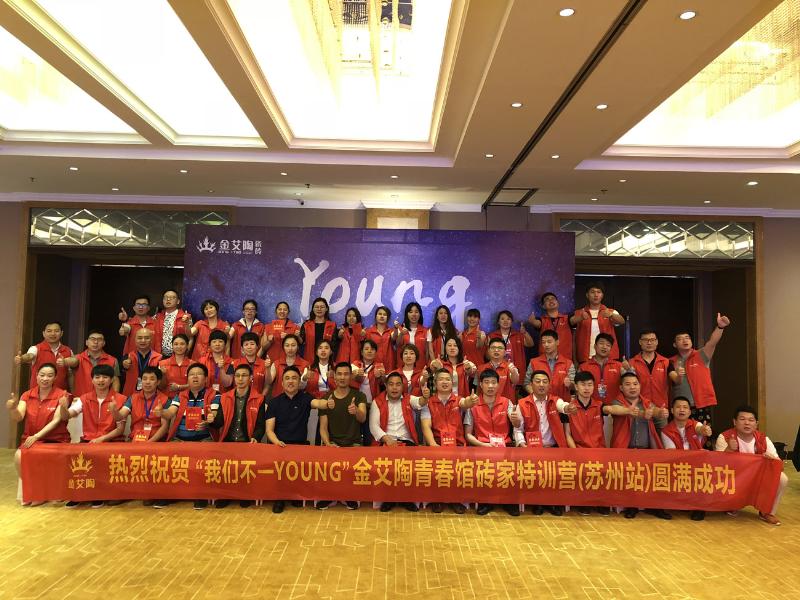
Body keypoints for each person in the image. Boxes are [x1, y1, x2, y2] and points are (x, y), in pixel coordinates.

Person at [266, 367, 337, 513]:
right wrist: (277, 442)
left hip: (299, 447)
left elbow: (318, 403)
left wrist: (327, 404)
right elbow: (269, 430)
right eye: (287, 378)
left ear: (299, 382)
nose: (291, 381)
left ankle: (294, 495)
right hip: (279, 446)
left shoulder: (305, 398)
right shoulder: (274, 402)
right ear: (282, 383)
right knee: (279, 464)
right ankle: (280, 499)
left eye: (294, 378)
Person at [604, 372, 670, 520]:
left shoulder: (646, 402)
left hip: (646, 449)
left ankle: (655, 507)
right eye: (628, 384)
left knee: (652, 479)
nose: (632, 387)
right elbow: (612, 409)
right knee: (630, 480)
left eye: (635, 384)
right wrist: (634, 412)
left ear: (640, 386)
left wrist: (661, 412)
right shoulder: (618, 402)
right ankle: (631, 506)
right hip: (626, 449)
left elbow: (654, 410)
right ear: (621, 387)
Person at [62, 364, 127, 508]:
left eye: (105, 377)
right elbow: (67, 416)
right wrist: (63, 407)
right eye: (97, 377)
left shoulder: (120, 399)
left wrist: (100, 439)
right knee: (72, 456)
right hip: (88, 440)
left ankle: (97, 494)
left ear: (112, 380)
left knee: (98, 455)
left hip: (112, 440)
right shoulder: (84, 398)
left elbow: (120, 429)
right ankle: (78, 494)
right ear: (92, 380)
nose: (101, 380)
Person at [511, 369, 574, 516]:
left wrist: (568, 408)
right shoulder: (522, 403)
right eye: (538, 381)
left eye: (545, 382)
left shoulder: (555, 400)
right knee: (535, 474)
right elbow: (518, 430)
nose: (541, 384)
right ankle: (537, 502)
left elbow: (563, 406)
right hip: (531, 449)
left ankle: (552, 502)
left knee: (554, 475)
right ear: (531, 384)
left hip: (553, 448)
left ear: (549, 385)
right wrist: (522, 444)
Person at [7, 363, 70, 506]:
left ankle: (41, 493)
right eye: (42, 375)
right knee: (19, 456)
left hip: (56, 439)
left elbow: (57, 421)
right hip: (32, 440)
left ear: (55, 378)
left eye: (49, 375)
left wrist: (37, 436)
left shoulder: (62, 395)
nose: (45, 378)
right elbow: (18, 417)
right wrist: (13, 408)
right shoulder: (27, 395)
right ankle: (35, 491)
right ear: (36, 376)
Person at [714, 405, 788, 526]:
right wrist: (729, 450)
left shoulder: (763, 439)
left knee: (782, 478)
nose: (747, 423)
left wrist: (771, 460)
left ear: (756, 424)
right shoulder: (725, 437)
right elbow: (716, 465)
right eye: (742, 419)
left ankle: (767, 512)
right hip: (734, 477)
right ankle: (730, 504)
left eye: (751, 420)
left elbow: (779, 464)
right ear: (734, 422)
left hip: (756, 478)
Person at [160, 363, 220, 509]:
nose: (195, 377)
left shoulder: (214, 394)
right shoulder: (181, 395)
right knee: (165, 459)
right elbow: (170, 413)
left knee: (204, 461)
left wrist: (208, 422)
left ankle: (200, 495)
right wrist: (161, 412)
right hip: (180, 439)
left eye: (199, 374)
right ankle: (170, 494)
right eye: (192, 374)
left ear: (205, 378)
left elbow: (214, 415)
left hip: (204, 439)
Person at [208, 364, 267, 508]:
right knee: (226, 469)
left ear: (251, 378)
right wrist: (211, 420)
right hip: (228, 441)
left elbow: (261, 425)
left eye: (244, 375)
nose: (240, 379)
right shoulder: (225, 397)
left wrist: (256, 437)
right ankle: (225, 495)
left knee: (244, 470)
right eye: (238, 376)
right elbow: (219, 422)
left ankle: (244, 494)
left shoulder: (259, 398)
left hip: (247, 442)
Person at [464, 369, 521, 517]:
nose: (490, 386)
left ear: (498, 384)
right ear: (481, 384)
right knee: (485, 467)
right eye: (487, 382)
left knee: (511, 466)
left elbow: (516, 423)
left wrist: (516, 420)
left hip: (505, 446)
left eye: (493, 382)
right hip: (482, 446)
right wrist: (483, 445)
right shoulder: (473, 405)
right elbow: (468, 435)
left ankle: (509, 502)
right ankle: (486, 502)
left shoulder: (507, 402)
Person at [420, 369, 478, 513]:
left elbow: (466, 403)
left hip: (458, 445)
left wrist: (471, 401)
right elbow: (426, 425)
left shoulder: (458, 400)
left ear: (452, 383)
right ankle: (438, 499)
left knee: (458, 471)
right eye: (441, 379)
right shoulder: (428, 402)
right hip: (437, 443)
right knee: (437, 469)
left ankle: (456, 499)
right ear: (435, 383)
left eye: (447, 379)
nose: (445, 382)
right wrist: (433, 444)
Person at [370, 371, 426, 512]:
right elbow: (373, 426)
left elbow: (420, 402)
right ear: (386, 386)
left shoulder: (408, 399)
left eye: (398, 384)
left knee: (409, 468)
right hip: (385, 440)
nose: (394, 388)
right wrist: (386, 438)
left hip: (406, 441)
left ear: (403, 386)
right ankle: (389, 499)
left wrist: (425, 397)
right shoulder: (377, 401)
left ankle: (407, 499)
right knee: (387, 469)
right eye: (391, 384)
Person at [316, 363, 367, 510]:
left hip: (353, 444)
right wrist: (328, 443)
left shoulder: (359, 396)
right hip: (333, 444)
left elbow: (363, 418)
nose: (342, 377)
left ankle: (348, 496)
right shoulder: (327, 398)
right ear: (334, 377)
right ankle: (330, 496)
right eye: (339, 374)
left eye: (346, 374)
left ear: (351, 377)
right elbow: (323, 427)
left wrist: (356, 411)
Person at [672, 313, 731, 425]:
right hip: (679, 407)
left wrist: (720, 327)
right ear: (675, 344)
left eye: (687, 338)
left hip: (700, 405)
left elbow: (712, 342)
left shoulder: (701, 355)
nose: (685, 341)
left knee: (703, 434)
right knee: (681, 435)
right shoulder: (670, 361)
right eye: (680, 339)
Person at [563, 371, 609, 515]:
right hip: (579, 449)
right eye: (583, 385)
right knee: (582, 469)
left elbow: (612, 409)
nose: (587, 388)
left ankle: (601, 501)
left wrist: (627, 410)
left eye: (590, 385)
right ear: (576, 387)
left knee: (603, 470)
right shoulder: (569, 408)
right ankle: (585, 501)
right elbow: (567, 434)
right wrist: (575, 452)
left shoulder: (599, 405)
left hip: (599, 450)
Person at [660, 396, 712, 521]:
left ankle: (699, 508)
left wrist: (704, 431)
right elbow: (672, 455)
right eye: (678, 407)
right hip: (678, 465)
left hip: (697, 465)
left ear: (689, 411)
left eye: (685, 407)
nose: (682, 410)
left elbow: (700, 429)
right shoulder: (666, 431)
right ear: (672, 410)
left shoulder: (695, 425)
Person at [571, 281, 624, 363]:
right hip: (586, 357)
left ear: (602, 295)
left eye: (598, 292)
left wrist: (611, 315)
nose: (596, 295)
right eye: (592, 292)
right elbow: (571, 322)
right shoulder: (579, 312)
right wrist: (580, 317)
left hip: (608, 357)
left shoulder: (610, 311)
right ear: (587, 295)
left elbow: (622, 321)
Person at [113, 366, 169, 443]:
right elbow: (120, 416)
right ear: (141, 380)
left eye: (152, 379)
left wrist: (148, 443)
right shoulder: (133, 398)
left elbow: (164, 427)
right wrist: (114, 411)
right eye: (144, 379)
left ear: (158, 382)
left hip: (156, 442)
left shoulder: (164, 399)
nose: (147, 382)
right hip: (135, 440)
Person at [15, 321, 73, 392]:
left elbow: (70, 375)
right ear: (44, 333)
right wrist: (22, 359)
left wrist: (73, 394)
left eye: (56, 331)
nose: (53, 334)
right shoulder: (36, 348)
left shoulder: (68, 351)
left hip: (61, 395)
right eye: (49, 331)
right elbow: (30, 356)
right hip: (37, 395)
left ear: (61, 333)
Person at [628, 329, 676, 411]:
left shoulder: (666, 362)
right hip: (640, 408)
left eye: (652, 340)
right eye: (645, 340)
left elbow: (676, 380)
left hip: (661, 408)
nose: (649, 343)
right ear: (640, 342)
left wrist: (680, 376)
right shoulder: (632, 362)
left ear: (657, 342)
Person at [64, 330, 120, 397]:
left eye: (99, 339)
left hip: (103, 400)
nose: (96, 342)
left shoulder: (112, 360)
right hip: (81, 399)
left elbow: (115, 381)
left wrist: (114, 397)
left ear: (104, 343)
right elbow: (71, 375)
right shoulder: (78, 358)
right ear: (86, 342)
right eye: (92, 339)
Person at [525, 329, 574, 403]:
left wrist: (570, 384)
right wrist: (536, 395)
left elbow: (575, 386)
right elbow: (526, 383)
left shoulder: (568, 363)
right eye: (543, 342)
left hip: (562, 404)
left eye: (549, 342)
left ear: (557, 342)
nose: (546, 345)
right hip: (540, 403)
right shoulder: (534, 362)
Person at [578, 333, 624, 406]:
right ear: (595, 346)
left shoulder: (619, 366)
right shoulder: (583, 367)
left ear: (611, 349)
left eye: (608, 345)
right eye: (601, 343)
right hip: (591, 408)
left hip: (614, 407)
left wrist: (628, 370)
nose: (604, 347)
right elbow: (578, 389)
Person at [529, 292, 573, 360]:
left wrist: (581, 317)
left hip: (565, 359)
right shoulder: (542, 320)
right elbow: (537, 323)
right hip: (545, 359)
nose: (551, 300)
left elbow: (575, 319)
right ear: (543, 306)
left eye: (553, 298)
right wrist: (533, 321)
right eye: (547, 299)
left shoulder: (567, 318)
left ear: (558, 303)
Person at [121, 328, 162, 397]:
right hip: (130, 395)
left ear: (151, 340)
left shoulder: (159, 358)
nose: (143, 341)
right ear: (135, 340)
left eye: (146, 338)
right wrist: (124, 365)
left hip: (151, 395)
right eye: (140, 338)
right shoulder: (128, 356)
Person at [152, 289, 192, 358]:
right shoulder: (156, 317)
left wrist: (186, 353)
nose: (168, 299)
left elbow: (190, 337)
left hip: (179, 356)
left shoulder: (185, 317)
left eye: (172, 297)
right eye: (165, 297)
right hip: (159, 356)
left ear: (178, 301)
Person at [299, 297, 337, 363]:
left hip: (326, 360)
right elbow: (301, 342)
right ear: (313, 309)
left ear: (326, 309)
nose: (319, 309)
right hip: (309, 360)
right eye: (316, 307)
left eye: (322, 307)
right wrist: (297, 336)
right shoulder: (306, 325)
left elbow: (333, 345)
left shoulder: (332, 325)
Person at [394, 302, 428, 370]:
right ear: (406, 314)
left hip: (420, 368)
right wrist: (401, 334)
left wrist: (427, 365)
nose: (414, 314)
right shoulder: (399, 329)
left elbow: (427, 351)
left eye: (416, 312)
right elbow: (397, 345)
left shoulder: (425, 331)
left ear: (420, 314)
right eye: (411, 312)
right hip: (403, 367)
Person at [365, 305, 396, 371]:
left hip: (389, 365)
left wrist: (396, 329)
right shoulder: (368, 332)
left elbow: (394, 338)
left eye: (384, 315)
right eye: (380, 314)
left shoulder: (392, 331)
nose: (382, 316)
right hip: (373, 366)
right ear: (376, 316)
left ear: (388, 318)